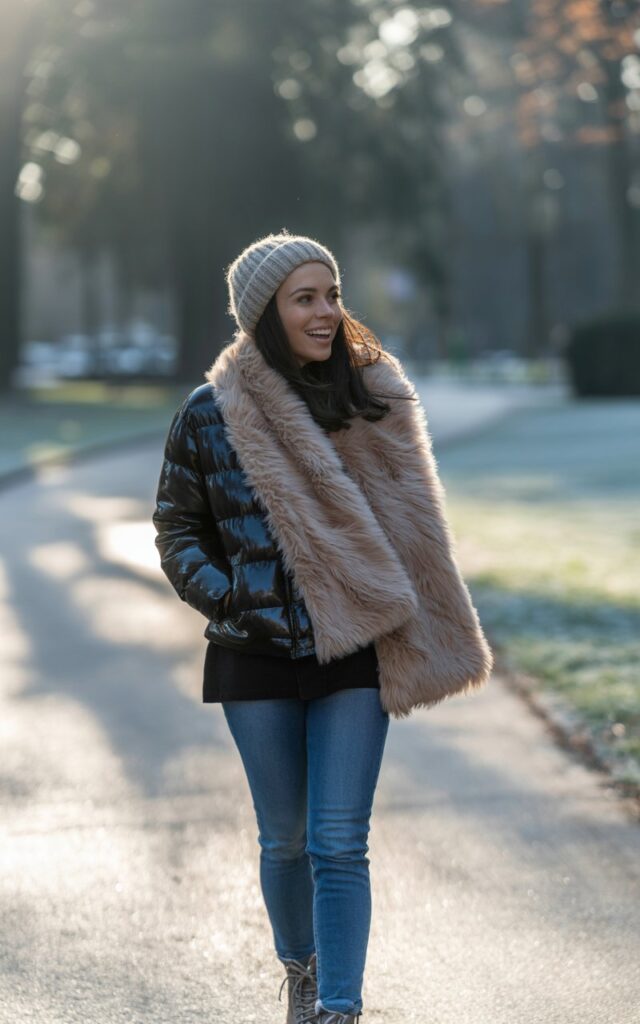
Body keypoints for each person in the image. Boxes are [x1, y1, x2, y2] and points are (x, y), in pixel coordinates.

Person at [152, 229, 493, 1024]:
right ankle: (302, 971)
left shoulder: (369, 399)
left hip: (354, 653)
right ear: (264, 312)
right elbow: (176, 529)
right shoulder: (210, 415)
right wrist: (231, 596)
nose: (326, 312)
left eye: (331, 294)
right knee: (287, 842)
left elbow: (414, 531)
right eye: (305, 298)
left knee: (341, 840)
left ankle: (339, 1007)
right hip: (253, 655)